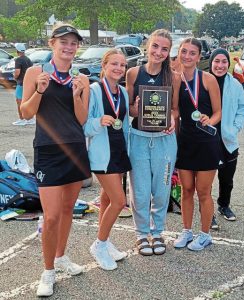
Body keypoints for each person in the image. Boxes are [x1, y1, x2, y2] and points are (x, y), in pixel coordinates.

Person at [20, 24, 91, 297]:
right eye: (64, 42)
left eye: (74, 43)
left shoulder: (81, 78)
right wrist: (39, 91)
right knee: (50, 217)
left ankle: (61, 257)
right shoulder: (35, 72)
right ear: (52, 43)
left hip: (74, 148)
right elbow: (25, 113)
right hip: (48, 150)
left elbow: (82, 120)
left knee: (67, 210)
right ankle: (47, 271)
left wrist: (76, 96)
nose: (69, 47)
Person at [126, 29, 178, 256]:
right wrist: (135, 109)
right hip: (138, 138)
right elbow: (128, 107)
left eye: (164, 49)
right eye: (155, 46)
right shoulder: (133, 73)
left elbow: (175, 109)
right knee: (140, 190)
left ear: (168, 52)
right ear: (148, 45)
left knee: (161, 190)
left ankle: (157, 233)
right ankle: (141, 234)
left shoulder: (174, 77)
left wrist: (172, 120)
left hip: (164, 140)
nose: (158, 52)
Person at [173, 38, 223, 251]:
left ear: (199, 55)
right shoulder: (176, 79)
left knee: (204, 191)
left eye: (192, 53)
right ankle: (186, 231)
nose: (187, 56)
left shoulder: (208, 79)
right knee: (186, 190)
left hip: (206, 142)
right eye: (184, 51)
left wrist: (208, 121)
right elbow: (175, 111)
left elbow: (218, 112)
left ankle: (204, 234)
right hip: (185, 142)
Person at [83, 49, 131, 271]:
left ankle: (105, 239)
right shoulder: (93, 90)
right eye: (114, 64)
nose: (119, 68)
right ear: (104, 66)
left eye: (122, 65)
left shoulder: (123, 91)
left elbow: (126, 123)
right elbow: (82, 124)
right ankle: (99, 245)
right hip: (103, 154)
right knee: (119, 201)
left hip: (119, 150)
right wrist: (98, 121)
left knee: (105, 199)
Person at [209, 48, 244, 229]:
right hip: (206, 140)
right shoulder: (202, 82)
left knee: (227, 178)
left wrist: (234, 128)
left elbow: (243, 108)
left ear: (228, 63)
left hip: (228, 139)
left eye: (223, 62)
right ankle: (207, 212)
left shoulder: (235, 85)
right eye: (216, 61)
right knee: (205, 180)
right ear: (210, 63)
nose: (220, 65)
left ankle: (224, 205)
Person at [12, 43, 34, 126]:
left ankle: (22, 119)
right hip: (28, 83)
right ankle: (30, 119)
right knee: (28, 101)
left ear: (17, 51)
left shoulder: (18, 60)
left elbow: (17, 72)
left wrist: (14, 76)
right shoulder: (28, 59)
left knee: (19, 101)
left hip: (21, 83)